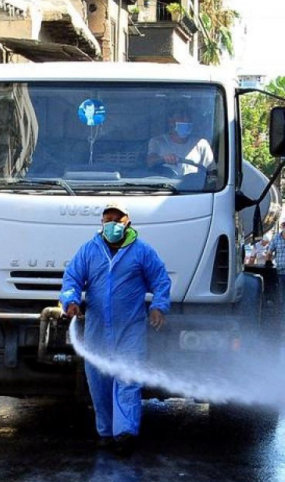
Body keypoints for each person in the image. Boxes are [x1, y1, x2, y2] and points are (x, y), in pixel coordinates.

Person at [60, 203, 171, 456]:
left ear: (127, 222)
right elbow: (72, 279)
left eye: (116, 219)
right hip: (97, 330)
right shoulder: (89, 250)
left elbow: (161, 280)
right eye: (106, 219)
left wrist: (159, 306)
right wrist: (71, 301)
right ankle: (106, 433)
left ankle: (125, 434)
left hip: (130, 328)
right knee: (98, 382)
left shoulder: (142, 251)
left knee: (127, 378)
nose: (111, 224)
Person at [146, 106, 215, 177]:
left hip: (194, 186)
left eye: (188, 117)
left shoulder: (201, 143)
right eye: (181, 116)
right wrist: (163, 159)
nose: (186, 119)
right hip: (164, 186)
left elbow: (211, 172)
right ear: (170, 121)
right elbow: (150, 162)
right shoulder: (157, 141)